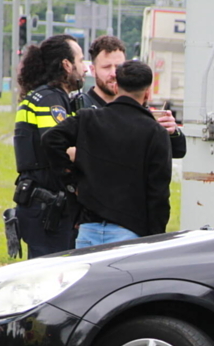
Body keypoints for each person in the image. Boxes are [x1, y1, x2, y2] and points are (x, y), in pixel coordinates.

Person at [42, 60, 172, 248]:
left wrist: (71, 179)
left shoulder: (88, 119)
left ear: (116, 86)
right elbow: (158, 194)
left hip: (87, 229)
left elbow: (50, 140)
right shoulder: (155, 133)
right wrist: (155, 238)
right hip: (129, 232)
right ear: (147, 92)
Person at [12, 34, 87, 258]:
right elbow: (56, 145)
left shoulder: (45, 96)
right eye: (81, 61)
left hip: (43, 207)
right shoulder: (50, 101)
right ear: (67, 65)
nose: (85, 68)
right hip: (47, 209)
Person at [75, 34, 186, 159]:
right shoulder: (80, 107)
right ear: (93, 70)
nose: (113, 73)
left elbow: (178, 151)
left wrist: (172, 131)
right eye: (106, 67)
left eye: (118, 67)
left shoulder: (139, 108)